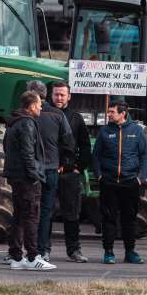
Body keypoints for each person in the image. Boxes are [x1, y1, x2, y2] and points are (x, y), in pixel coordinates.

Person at [3, 91, 55, 271]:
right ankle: (33, 257)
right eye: (39, 104)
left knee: (18, 216)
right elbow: (28, 153)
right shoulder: (26, 123)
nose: (41, 106)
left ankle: (16, 257)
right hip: (27, 178)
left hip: (16, 176)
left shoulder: (14, 122)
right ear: (32, 106)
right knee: (32, 216)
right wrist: (35, 175)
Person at [92, 101, 147, 265]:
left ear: (123, 113)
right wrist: (100, 176)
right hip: (109, 182)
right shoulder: (104, 131)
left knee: (129, 219)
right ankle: (108, 252)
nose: (109, 114)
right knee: (108, 219)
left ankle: (130, 252)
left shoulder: (137, 131)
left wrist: (141, 178)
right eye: (108, 111)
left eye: (112, 112)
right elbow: (96, 156)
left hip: (130, 183)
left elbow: (145, 155)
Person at [26, 80, 74, 262]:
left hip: (30, 170)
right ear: (47, 94)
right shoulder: (58, 114)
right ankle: (43, 249)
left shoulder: (24, 115)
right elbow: (69, 142)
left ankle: (20, 250)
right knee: (46, 211)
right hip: (52, 168)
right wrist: (63, 161)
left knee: (26, 211)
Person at [50, 81, 91, 263]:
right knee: (45, 213)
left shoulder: (76, 118)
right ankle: (43, 250)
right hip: (48, 170)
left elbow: (85, 146)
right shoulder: (43, 114)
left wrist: (78, 168)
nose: (59, 98)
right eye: (56, 94)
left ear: (69, 96)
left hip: (69, 173)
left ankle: (74, 250)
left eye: (62, 95)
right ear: (51, 95)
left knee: (72, 214)